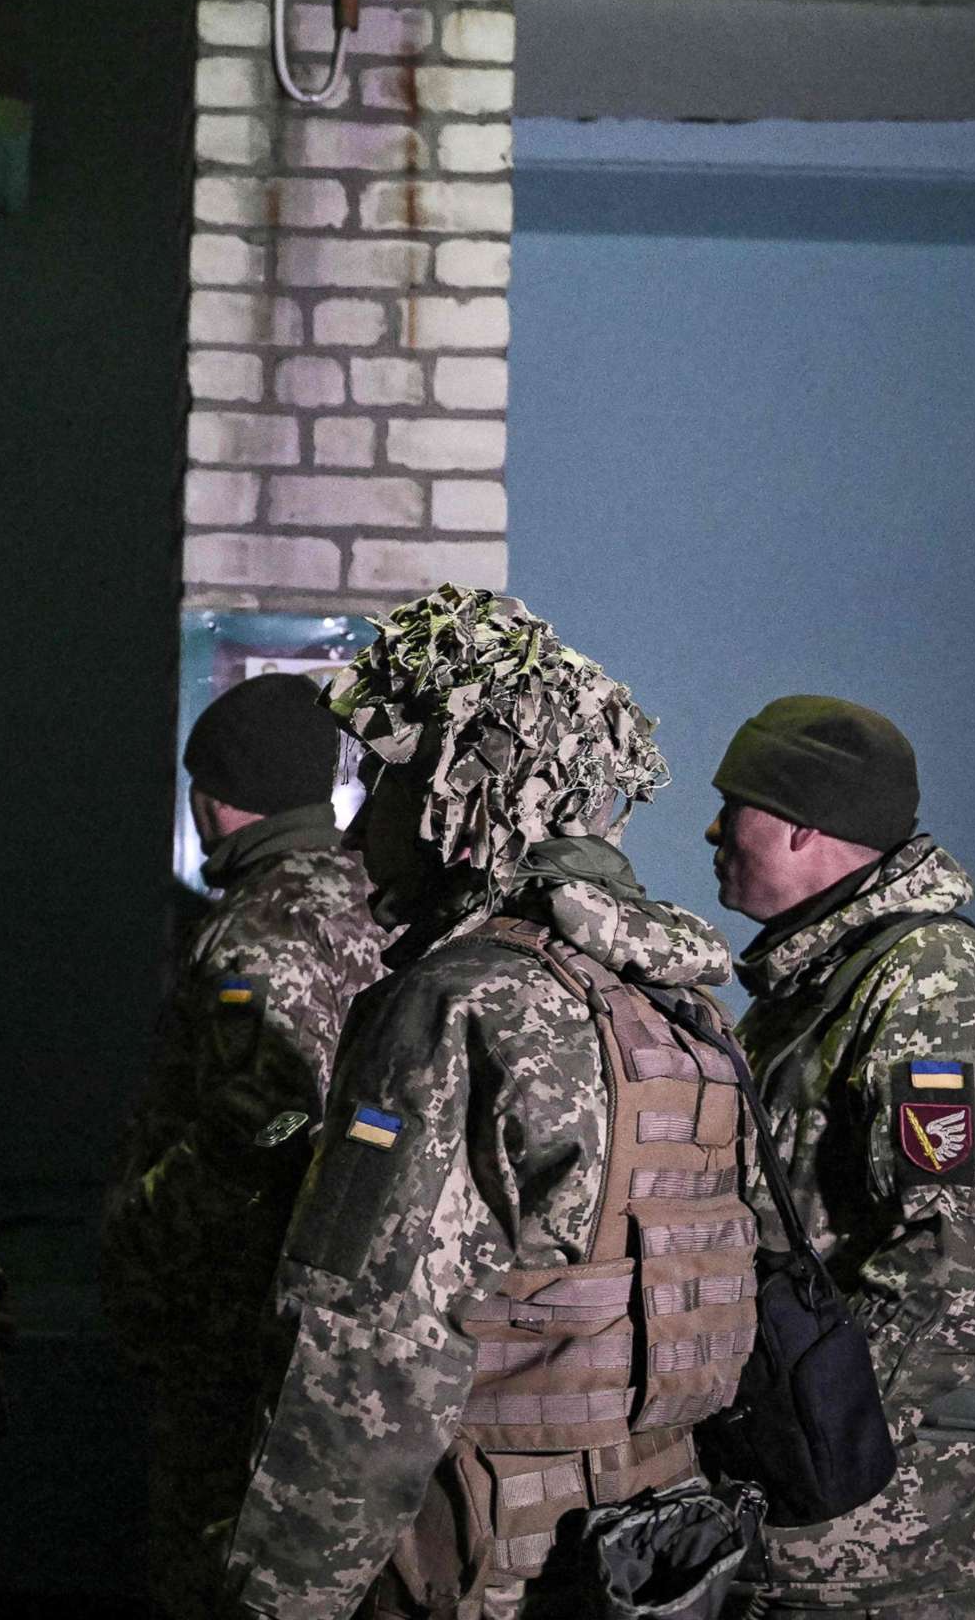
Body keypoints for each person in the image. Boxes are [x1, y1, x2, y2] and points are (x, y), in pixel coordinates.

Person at [223, 588, 757, 1620]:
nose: (358, 818)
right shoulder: (679, 1005)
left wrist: (275, 1599)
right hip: (646, 1560)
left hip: (477, 1563)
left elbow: (368, 1358)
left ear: (449, 798)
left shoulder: (459, 1004)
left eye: (379, 780)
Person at [706, 696, 975, 1620]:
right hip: (803, 1501)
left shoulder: (935, 985)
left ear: (802, 827)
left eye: (734, 803)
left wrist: (819, 1439)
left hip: (871, 1530)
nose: (713, 829)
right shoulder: (820, 976)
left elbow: (966, 1264)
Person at [101, 671, 391, 1620]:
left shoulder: (259, 929)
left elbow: (255, 1133)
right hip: (335, 1331)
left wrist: (142, 1231)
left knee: (210, 1567)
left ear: (212, 796)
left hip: (233, 1325)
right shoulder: (379, 905)